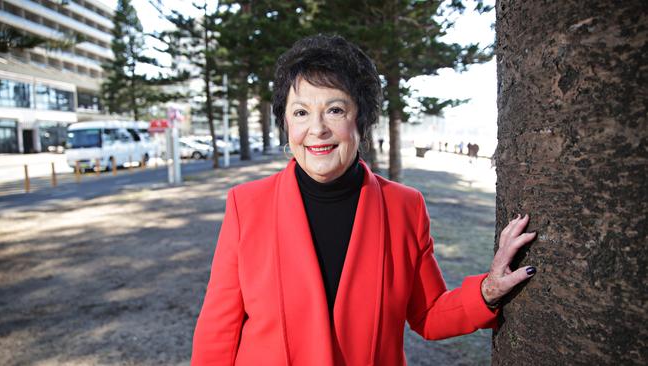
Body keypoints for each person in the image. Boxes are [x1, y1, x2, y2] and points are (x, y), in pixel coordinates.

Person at [191, 35, 537, 366]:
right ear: (285, 121)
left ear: (363, 118)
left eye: (335, 110)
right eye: (300, 113)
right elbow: (217, 331)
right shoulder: (246, 205)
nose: (317, 129)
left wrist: (488, 289)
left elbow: (428, 315)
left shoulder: (404, 207)